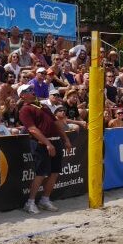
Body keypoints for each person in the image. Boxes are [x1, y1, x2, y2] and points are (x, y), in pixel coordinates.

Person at [19, 83, 72, 214]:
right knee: (41, 173)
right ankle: (30, 202)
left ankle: (45, 200)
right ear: (22, 95)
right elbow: (32, 129)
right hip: (40, 143)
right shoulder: (25, 110)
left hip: (54, 141)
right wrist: (48, 143)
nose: (32, 91)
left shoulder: (43, 106)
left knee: (55, 172)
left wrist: (66, 139)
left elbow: (56, 123)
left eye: (32, 89)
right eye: (28, 90)